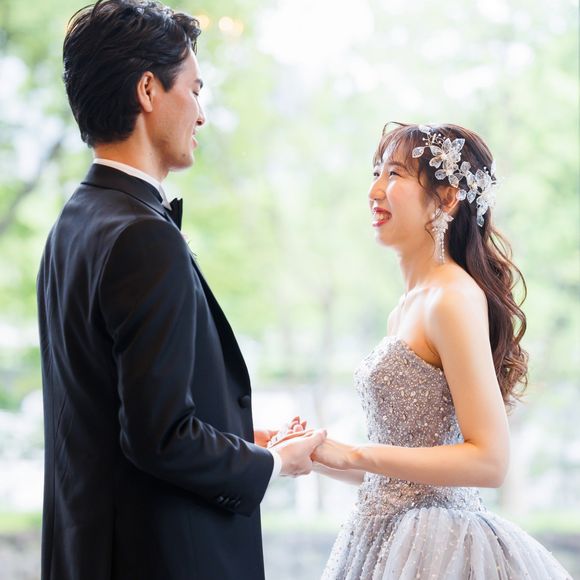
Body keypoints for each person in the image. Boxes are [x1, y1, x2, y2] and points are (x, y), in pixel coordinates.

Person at [36, 1, 325, 579]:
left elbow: (116, 408)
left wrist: (241, 440)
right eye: (195, 90)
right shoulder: (143, 235)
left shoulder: (73, 221)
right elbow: (160, 437)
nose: (201, 114)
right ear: (148, 90)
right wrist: (272, 464)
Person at [306, 122, 572, 579]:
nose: (374, 190)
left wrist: (356, 454)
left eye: (394, 174)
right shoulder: (407, 307)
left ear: (447, 198)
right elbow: (398, 473)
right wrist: (314, 452)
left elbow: (490, 460)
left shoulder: (451, 298)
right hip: (380, 539)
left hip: (435, 549)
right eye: (375, 172)